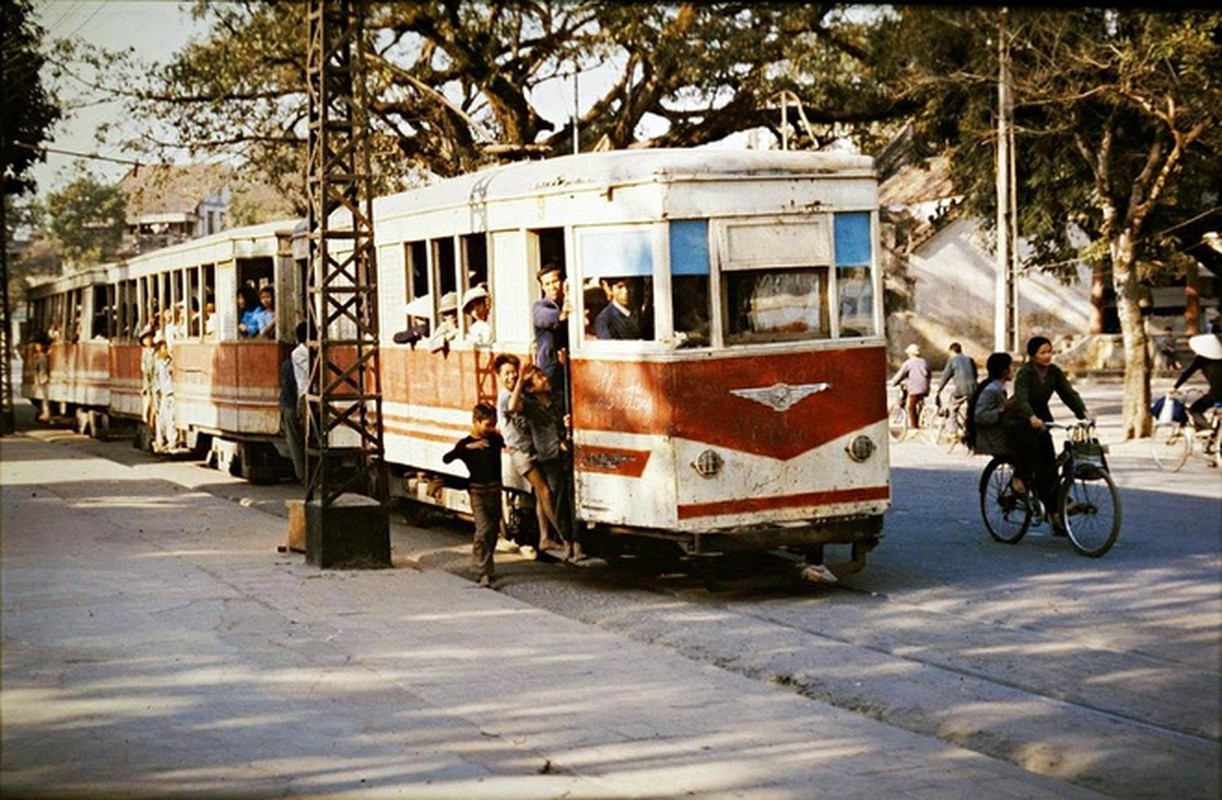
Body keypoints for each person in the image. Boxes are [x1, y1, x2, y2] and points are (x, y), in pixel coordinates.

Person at [1011, 335, 1090, 528]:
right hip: (1021, 419)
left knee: (1051, 465)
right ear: (1032, 355)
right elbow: (1021, 399)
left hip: (1043, 420)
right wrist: (1030, 417)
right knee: (1039, 465)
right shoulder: (1025, 373)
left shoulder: (1054, 372)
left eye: (1050, 352)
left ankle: (1055, 512)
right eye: (1043, 352)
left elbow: (1067, 393)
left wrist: (1082, 412)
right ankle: (1019, 480)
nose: (1047, 356)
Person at [495, 353, 566, 554]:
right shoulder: (505, 397)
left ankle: (544, 538)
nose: (512, 377)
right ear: (498, 375)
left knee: (539, 496)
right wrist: (520, 382)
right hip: (522, 454)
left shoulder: (520, 394)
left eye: (514, 373)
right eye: (507, 373)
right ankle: (564, 536)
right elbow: (513, 406)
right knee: (545, 492)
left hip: (531, 450)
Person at [520, 365, 584, 561]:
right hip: (549, 459)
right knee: (558, 503)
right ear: (530, 389)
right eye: (538, 378)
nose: (544, 378)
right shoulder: (531, 407)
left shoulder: (559, 400)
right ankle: (567, 541)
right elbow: (513, 405)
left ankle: (577, 543)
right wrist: (520, 380)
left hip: (565, 456)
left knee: (573, 500)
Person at [442, 402, 505, 588]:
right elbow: (447, 459)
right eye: (487, 424)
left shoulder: (495, 439)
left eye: (493, 424)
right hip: (477, 492)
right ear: (476, 422)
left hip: (495, 490)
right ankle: (481, 570)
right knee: (483, 529)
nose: (491, 428)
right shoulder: (465, 444)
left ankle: (488, 565)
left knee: (493, 532)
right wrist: (468, 448)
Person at [971, 352, 1034, 494]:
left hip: (1003, 434)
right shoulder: (990, 390)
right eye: (1011, 367)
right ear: (1005, 370)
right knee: (1032, 453)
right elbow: (980, 416)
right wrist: (1003, 408)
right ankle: (1018, 482)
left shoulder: (998, 388)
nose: (1013, 370)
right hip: (995, 439)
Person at [1171, 333, 1222, 447]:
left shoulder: (1201, 359)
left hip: (1216, 394)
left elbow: (1187, 373)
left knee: (1195, 410)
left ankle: (1207, 429)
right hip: (1216, 392)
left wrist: (1175, 387)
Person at [531, 263, 570, 395]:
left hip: (568, 364)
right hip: (549, 371)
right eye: (547, 284)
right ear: (542, 287)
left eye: (555, 282)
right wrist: (562, 315)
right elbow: (543, 317)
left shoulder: (567, 301)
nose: (552, 287)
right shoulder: (540, 306)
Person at [280, 322, 308, 482]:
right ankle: (303, 475)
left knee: (297, 439)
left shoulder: (295, 356)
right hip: (294, 401)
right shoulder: (299, 354)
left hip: (292, 400)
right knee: (297, 440)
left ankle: (304, 474)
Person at [891, 343, 932, 429]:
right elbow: (929, 375)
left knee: (911, 407)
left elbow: (900, 375)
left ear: (910, 354)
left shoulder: (908, 363)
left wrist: (893, 383)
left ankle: (914, 425)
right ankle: (921, 415)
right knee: (919, 400)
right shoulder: (925, 362)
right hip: (925, 388)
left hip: (914, 389)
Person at [152, 333, 177, 453]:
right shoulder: (158, 363)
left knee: (170, 418)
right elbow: (155, 378)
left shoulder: (172, 362)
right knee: (161, 418)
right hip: (162, 392)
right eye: (164, 348)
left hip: (171, 392)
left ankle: (172, 441)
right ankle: (160, 441)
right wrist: (156, 391)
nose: (166, 350)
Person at [935, 342, 978, 407]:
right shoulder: (970, 359)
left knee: (952, 404)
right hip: (974, 388)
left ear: (952, 351)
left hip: (961, 389)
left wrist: (939, 389)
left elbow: (946, 376)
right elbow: (975, 375)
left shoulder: (952, 360)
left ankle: (953, 416)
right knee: (972, 407)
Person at [138, 325, 158, 435]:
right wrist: (145, 387)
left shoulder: (157, 351)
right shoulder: (145, 353)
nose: (148, 340)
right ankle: (151, 432)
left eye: (150, 337)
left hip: (157, 384)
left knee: (155, 410)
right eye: (145, 338)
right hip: (148, 384)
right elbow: (146, 372)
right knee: (148, 410)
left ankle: (154, 433)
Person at [31, 338, 51, 422]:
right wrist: (36, 380)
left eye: (38, 345)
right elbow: (35, 370)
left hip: (44, 378)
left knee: (45, 397)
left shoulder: (44, 356)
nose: (37, 347)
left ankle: (46, 413)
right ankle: (45, 413)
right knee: (43, 397)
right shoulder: (38, 357)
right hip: (42, 378)